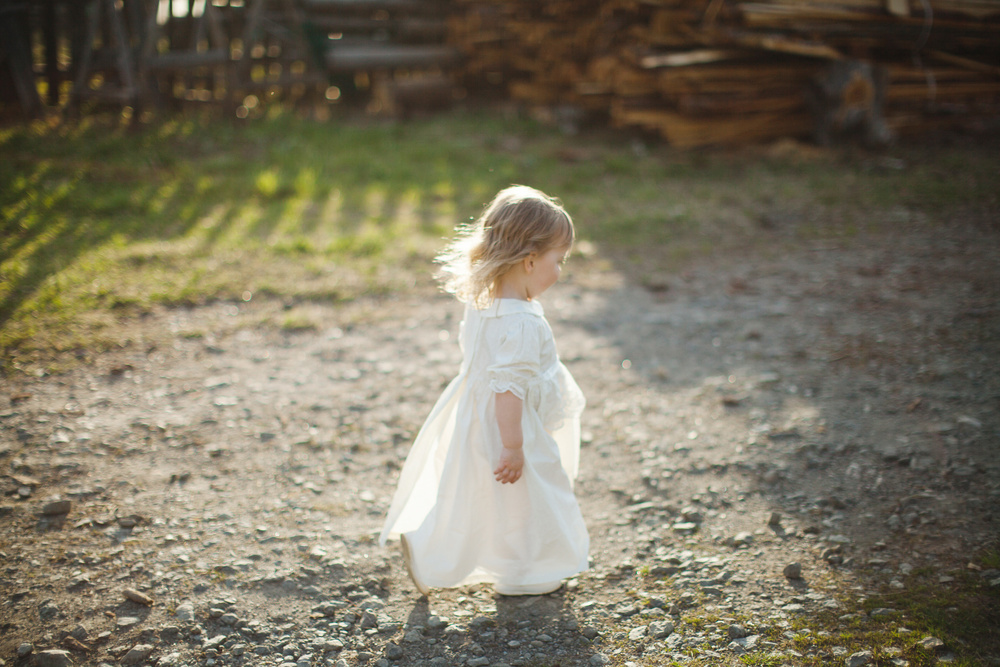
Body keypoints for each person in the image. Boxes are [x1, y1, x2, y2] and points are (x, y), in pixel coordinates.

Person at [379, 185, 589, 596]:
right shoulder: (523, 323)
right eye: (558, 261)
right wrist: (513, 446)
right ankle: (528, 572)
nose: (560, 271)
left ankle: (434, 551)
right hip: (512, 427)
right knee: (532, 497)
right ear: (530, 261)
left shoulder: (483, 304)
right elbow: (509, 389)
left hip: (476, 419)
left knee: (476, 497)